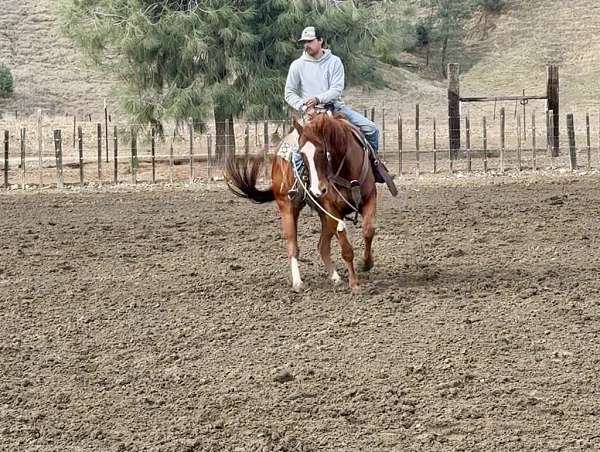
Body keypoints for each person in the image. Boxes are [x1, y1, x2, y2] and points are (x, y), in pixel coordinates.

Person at [284, 26, 380, 157]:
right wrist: (304, 106)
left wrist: (318, 99)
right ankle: (298, 176)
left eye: (310, 41)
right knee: (289, 152)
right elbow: (289, 93)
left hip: (336, 109)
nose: (306, 45)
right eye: (304, 42)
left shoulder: (334, 62)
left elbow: (336, 89)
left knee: (371, 129)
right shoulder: (297, 65)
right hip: (310, 114)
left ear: (320, 40)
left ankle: (374, 165)